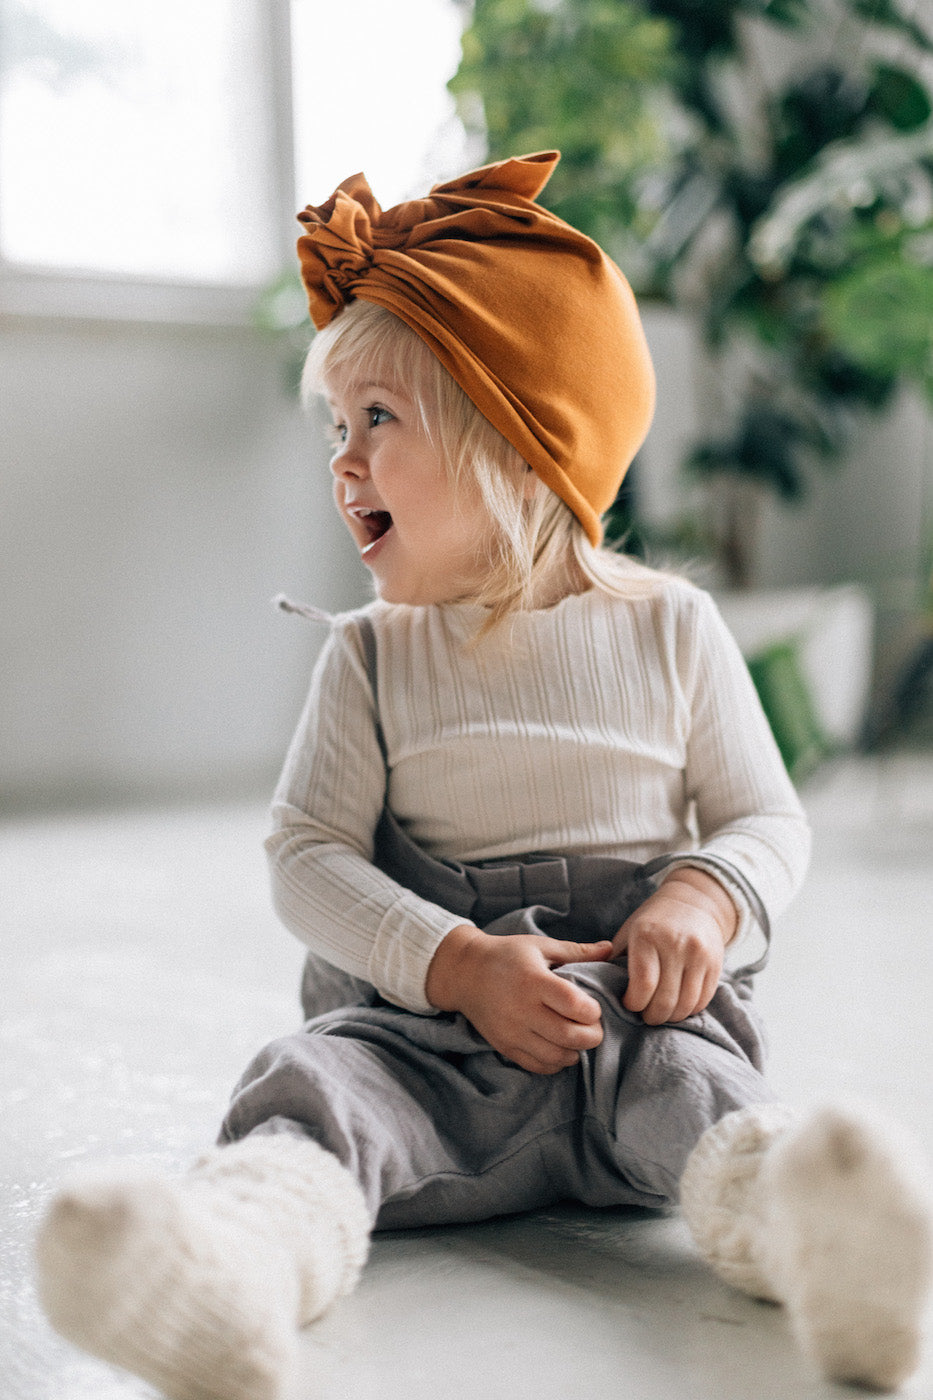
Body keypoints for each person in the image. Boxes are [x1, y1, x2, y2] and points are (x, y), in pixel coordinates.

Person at [35, 152, 931, 1400]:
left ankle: (824, 1245)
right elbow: (306, 855)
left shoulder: (673, 626)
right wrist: (451, 962)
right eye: (335, 429)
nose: (342, 461)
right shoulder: (372, 655)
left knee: (713, 1090)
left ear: (518, 436)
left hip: (637, 1023)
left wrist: (703, 899)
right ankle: (236, 1267)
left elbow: (764, 815)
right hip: (427, 1039)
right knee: (317, 1092)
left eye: (379, 421)